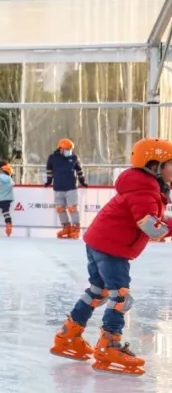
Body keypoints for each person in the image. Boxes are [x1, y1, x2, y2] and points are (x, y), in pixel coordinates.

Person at [49, 137, 172, 375]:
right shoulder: (145, 187)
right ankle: (109, 345)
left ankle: (68, 335)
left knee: (98, 292)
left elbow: (151, 219)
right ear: (155, 165)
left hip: (100, 242)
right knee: (121, 297)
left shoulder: (144, 185)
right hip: (111, 247)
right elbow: (150, 226)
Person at [46, 138, 88, 239]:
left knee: (72, 208)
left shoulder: (74, 158)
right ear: (60, 149)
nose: (69, 151)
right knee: (60, 209)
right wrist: (49, 180)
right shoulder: (52, 158)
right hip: (58, 188)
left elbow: (79, 170)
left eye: (70, 149)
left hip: (71, 187)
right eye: (67, 149)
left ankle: (75, 228)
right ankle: (66, 226)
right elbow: (49, 169)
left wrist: (82, 181)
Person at [0, 161, 15, 236]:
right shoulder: (10, 179)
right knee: (6, 212)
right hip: (7, 199)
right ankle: (8, 225)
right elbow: (13, 184)